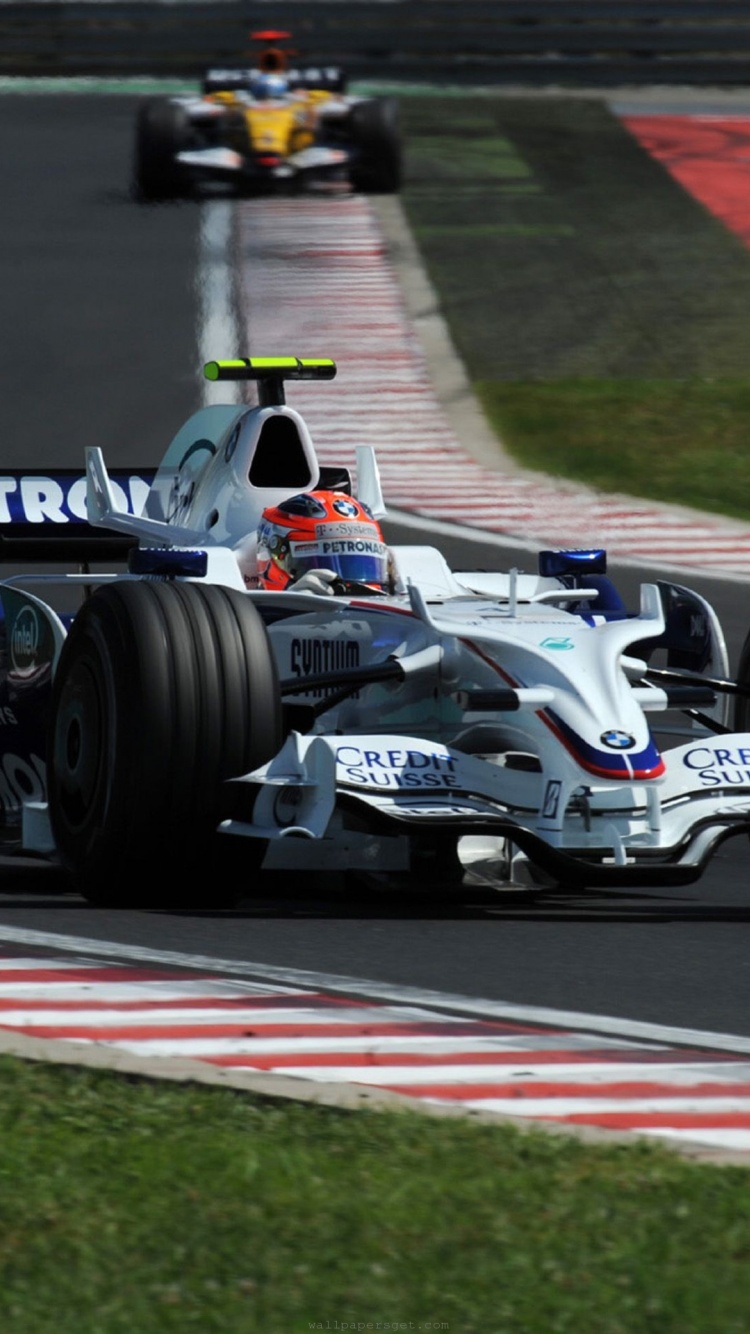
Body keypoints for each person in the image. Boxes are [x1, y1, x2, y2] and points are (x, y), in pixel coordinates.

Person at [255, 490, 390, 594]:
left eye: (362, 566)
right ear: (275, 552)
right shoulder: (245, 620)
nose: (346, 587)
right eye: (319, 563)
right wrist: (290, 607)